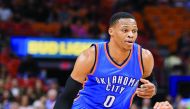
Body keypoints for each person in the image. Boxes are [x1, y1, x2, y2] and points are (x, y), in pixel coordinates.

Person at [54, 12, 157, 109]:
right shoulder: (91, 56)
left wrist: (153, 89)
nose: (131, 35)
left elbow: (150, 81)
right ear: (111, 31)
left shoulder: (144, 57)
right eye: (125, 30)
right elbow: (67, 96)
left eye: (134, 31)